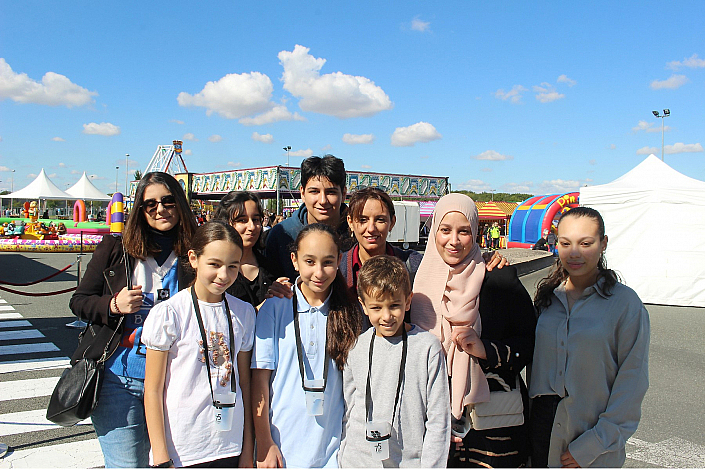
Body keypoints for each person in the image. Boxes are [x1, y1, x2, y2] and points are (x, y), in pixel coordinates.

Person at [69, 171, 197, 468]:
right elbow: (79, 301)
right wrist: (113, 304)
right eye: (150, 204)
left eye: (168, 201)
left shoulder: (194, 253)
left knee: (172, 461)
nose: (160, 209)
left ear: (180, 203)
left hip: (176, 378)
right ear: (140, 209)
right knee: (127, 465)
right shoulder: (116, 249)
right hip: (119, 377)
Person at [409, 193, 536, 468]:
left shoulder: (499, 278)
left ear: (475, 233)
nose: (453, 241)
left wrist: (485, 349)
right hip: (433, 424)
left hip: (492, 430)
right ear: (434, 231)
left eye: (464, 231)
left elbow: (529, 344)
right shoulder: (417, 282)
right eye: (445, 230)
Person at [530, 207, 650, 468]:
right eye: (566, 243)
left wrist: (595, 442)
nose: (574, 253)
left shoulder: (625, 304)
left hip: (591, 448)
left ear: (603, 244)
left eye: (585, 244)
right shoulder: (547, 300)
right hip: (541, 437)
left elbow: (632, 381)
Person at [142, 221, 256, 468]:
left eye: (232, 266)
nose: (223, 275)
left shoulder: (244, 313)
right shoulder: (170, 313)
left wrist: (248, 448)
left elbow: (245, 384)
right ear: (194, 259)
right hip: (183, 449)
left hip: (231, 445)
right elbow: (152, 390)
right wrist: (161, 457)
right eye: (214, 264)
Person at [252, 223, 362, 468]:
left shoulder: (348, 312)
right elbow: (259, 381)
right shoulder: (275, 307)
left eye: (328, 262)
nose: (319, 272)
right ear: (294, 260)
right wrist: (265, 441)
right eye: (309, 261)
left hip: (332, 453)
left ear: (339, 260)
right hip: (280, 448)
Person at [338, 255, 450, 467]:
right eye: (376, 307)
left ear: (408, 301)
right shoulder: (356, 348)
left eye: (394, 305)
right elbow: (348, 409)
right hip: (358, 461)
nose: (386, 316)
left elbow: (438, 419)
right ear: (363, 305)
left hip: (408, 463)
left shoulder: (427, 349)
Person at [265, 155, 353, 282]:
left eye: (331, 192)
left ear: (343, 194)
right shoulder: (282, 234)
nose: (323, 201)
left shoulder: (359, 234)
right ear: (302, 193)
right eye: (314, 191)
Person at [340, 187, 423, 297]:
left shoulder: (413, 265)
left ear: (392, 222)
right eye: (363, 220)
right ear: (350, 222)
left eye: (380, 220)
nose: (371, 228)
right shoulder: (337, 268)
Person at [213, 191, 288, 309]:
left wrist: (282, 293)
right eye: (242, 220)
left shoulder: (271, 267)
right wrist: (264, 306)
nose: (252, 227)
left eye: (256, 219)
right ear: (226, 222)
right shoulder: (214, 269)